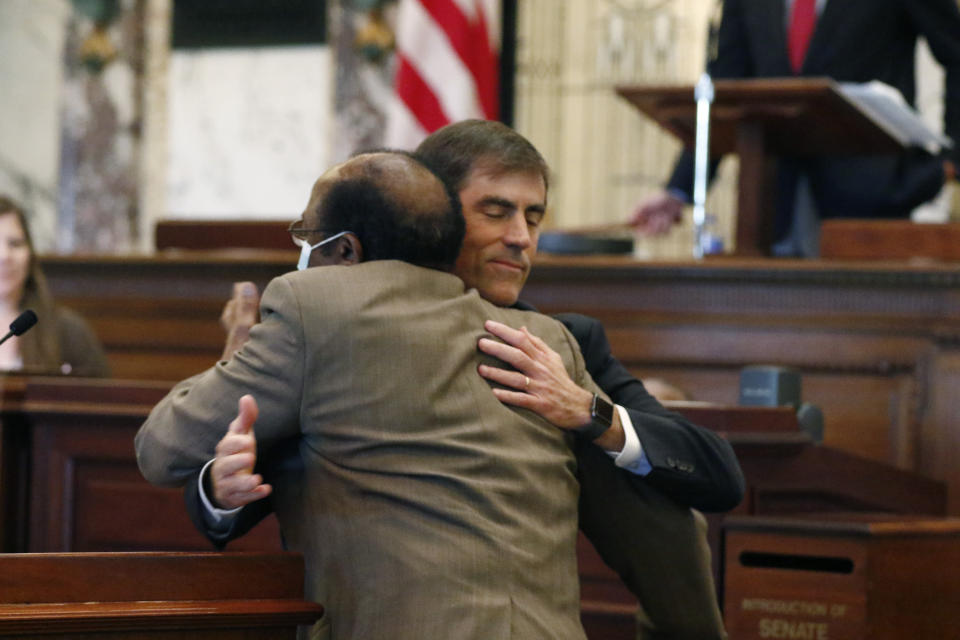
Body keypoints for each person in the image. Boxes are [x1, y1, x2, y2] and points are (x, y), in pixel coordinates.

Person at [189, 121, 744, 639]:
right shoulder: (337, 333)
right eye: (497, 212)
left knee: (646, 477)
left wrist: (587, 413)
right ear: (433, 216)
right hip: (373, 617)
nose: (522, 238)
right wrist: (223, 486)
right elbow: (224, 500)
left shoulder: (562, 345)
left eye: (533, 216)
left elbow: (717, 476)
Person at [137, 150, 635, 639]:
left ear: (347, 251)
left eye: (307, 235)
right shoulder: (548, 342)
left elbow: (162, 449)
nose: (302, 249)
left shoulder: (316, 306)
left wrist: (236, 353)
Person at [631, 0, 960, 256]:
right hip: (770, 201)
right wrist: (680, 189)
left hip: (871, 203)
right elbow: (726, 89)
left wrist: (952, 159)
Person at [0, 195, 110, 376]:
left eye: (15, 244)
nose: (4, 256)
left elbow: (103, 398)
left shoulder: (69, 331)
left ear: (30, 254)